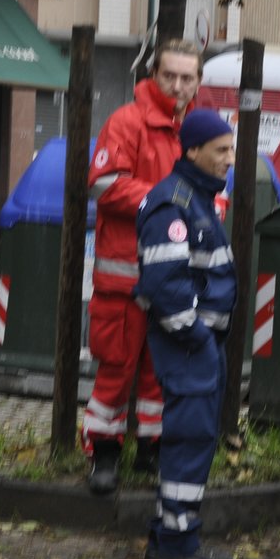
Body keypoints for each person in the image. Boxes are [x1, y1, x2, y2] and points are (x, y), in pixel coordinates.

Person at [82, 39, 202, 495]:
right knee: (116, 369)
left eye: (187, 78)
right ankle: (103, 455)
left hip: (173, 279)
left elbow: (214, 190)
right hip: (124, 280)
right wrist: (168, 201)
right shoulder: (126, 121)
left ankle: (151, 450)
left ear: (198, 82)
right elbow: (105, 187)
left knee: (159, 372)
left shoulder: (197, 126)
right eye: (169, 75)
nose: (177, 85)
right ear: (153, 73)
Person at [134, 108, 239, 559]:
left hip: (197, 346)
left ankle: (170, 531)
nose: (229, 160)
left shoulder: (193, 197)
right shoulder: (173, 202)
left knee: (192, 441)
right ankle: (177, 543)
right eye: (221, 150)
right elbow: (164, 284)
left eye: (231, 149)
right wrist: (197, 336)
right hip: (189, 347)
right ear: (192, 150)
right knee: (190, 442)